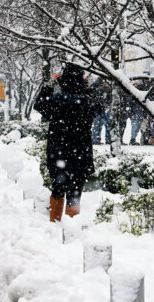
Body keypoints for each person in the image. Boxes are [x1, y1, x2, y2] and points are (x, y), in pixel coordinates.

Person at [34, 64, 104, 221]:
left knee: (57, 188)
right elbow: (101, 106)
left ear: (63, 81)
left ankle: (55, 221)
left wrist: (49, 87)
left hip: (58, 152)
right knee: (75, 192)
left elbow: (38, 105)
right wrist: (88, 89)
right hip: (80, 153)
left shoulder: (57, 101)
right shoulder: (87, 103)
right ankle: (71, 226)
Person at [91, 78, 112, 144]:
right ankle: (104, 139)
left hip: (100, 110)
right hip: (101, 110)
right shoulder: (105, 89)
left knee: (99, 125)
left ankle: (97, 138)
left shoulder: (96, 88)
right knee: (102, 125)